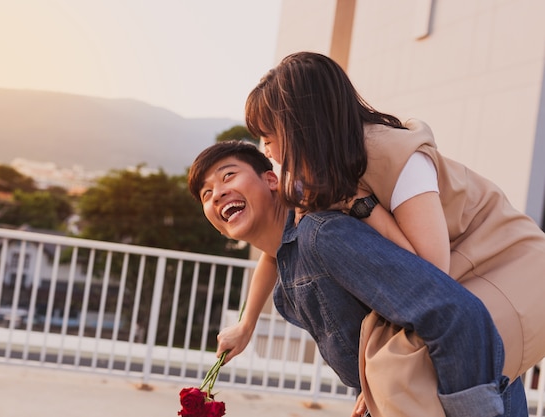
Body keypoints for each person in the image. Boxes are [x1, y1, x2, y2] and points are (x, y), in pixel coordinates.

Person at [238, 51, 545, 416]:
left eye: (269, 134)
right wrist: (246, 325)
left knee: (415, 367)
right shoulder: (324, 171)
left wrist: (362, 206)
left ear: (303, 124)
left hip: (511, 267)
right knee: (392, 369)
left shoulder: (394, 153)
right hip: (464, 272)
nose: (266, 149)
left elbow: (431, 269)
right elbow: (279, 249)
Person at [188, 140, 511, 417]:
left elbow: (445, 307)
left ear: (272, 179)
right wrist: (246, 326)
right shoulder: (288, 261)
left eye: (228, 175)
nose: (217, 193)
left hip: (458, 391)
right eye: (205, 194)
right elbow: (273, 255)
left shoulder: (321, 235)